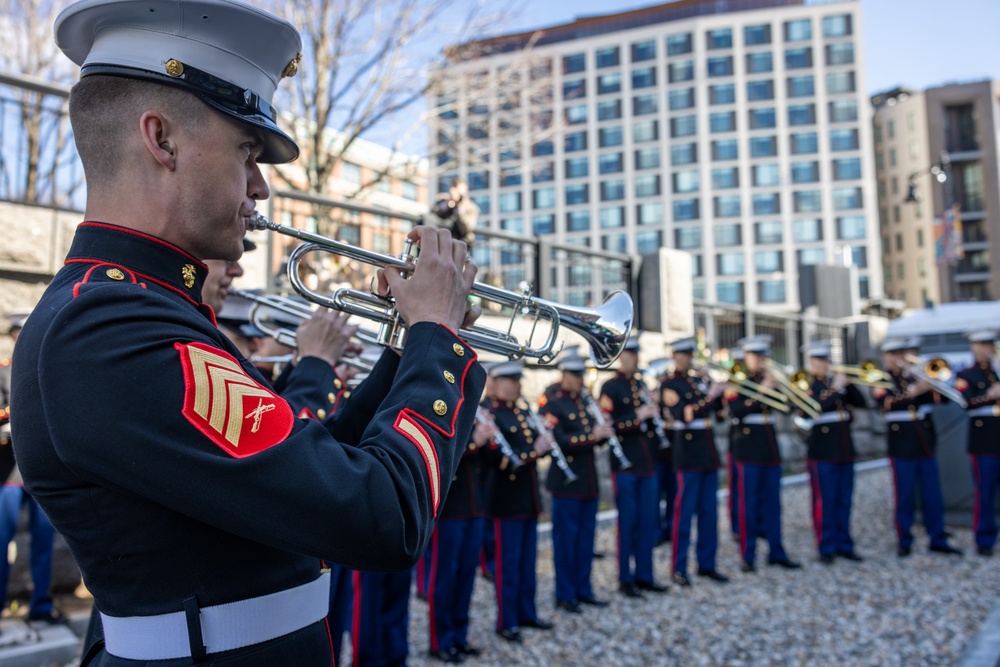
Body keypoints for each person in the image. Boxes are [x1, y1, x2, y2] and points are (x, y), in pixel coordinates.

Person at [10, 2, 485, 664]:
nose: (260, 185)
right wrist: (439, 336)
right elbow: (381, 516)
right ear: (163, 139)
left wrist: (411, 345)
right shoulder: (110, 329)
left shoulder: (138, 309)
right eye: (247, 151)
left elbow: (303, 470)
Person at [0, 313, 67, 630]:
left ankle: (41, 604)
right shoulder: (3, 373)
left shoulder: (50, 370)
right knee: (1, 544)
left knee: (45, 543)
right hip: (9, 471)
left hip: (39, 472)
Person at [482, 360, 554, 644]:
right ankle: (507, 620)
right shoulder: (491, 416)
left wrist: (543, 443)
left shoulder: (523, 413)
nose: (516, 385)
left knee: (527, 563)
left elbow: (534, 450)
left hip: (527, 499)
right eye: (510, 380)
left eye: (517, 380)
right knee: (508, 565)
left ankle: (527, 612)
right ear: (496, 383)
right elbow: (501, 460)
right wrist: (535, 450)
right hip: (505, 501)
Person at [540, 349, 613, 614]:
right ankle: (565, 593)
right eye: (576, 375)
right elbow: (558, 440)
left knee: (585, 540)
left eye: (581, 374)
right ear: (564, 374)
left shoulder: (584, 401)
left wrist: (604, 431)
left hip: (587, 481)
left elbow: (596, 437)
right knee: (566, 541)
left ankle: (584, 589)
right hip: (565, 484)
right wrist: (590, 435)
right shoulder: (552, 403)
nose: (581, 380)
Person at [873, 338, 961, 557]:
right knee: (904, 496)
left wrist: (930, 381)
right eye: (894, 354)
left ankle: (937, 537)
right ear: (886, 357)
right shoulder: (882, 379)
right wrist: (913, 391)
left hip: (925, 443)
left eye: (901, 353)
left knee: (933, 495)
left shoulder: (917, 375)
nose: (899, 358)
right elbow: (885, 403)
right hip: (901, 445)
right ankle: (904, 540)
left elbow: (943, 399)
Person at [598, 336, 668, 597]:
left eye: (636, 353)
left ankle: (645, 575)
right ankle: (625, 578)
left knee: (648, 521)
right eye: (629, 353)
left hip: (647, 462)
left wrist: (655, 411)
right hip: (625, 464)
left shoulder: (640, 384)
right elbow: (609, 425)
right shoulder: (610, 387)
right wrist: (638, 416)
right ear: (620, 356)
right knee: (628, 522)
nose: (634, 358)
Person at [423, 393, 489, 662]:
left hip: (474, 508)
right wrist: (475, 442)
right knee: (444, 578)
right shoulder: (441, 406)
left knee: (466, 577)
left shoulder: (475, 410)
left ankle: (459, 636)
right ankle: (441, 641)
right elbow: (440, 450)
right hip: (450, 510)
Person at [727, 336, 801, 572]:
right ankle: (748, 555)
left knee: (773, 505)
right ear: (747, 357)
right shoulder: (738, 381)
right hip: (748, 448)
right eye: (756, 356)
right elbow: (736, 411)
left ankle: (776, 551)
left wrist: (782, 387)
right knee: (748, 505)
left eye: (764, 356)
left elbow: (789, 408)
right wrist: (763, 390)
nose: (761, 360)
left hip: (770, 448)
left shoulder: (772, 379)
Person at [661, 337, 728, 586]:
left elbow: (719, 415)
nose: (686, 359)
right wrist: (711, 396)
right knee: (684, 513)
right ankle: (678, 567)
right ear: (674, 356)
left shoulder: (700, 380)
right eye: (681, 355)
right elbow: (685, 414)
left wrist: (717, 391)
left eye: (689, 354)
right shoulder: (670, 384)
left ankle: (706, 564)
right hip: (687, 453)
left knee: (709, 513)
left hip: (707, 453)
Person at [800, 341, 868, 564]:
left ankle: (844, 543)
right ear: (811, 363)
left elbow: (862, 403)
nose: (824, 364)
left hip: (844, 449)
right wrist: (836, 389)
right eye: (819, 360)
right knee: (824, 501)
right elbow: (813, 409)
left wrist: (847, 385)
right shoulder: (806, 384)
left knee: (844, 499)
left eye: (826, 360)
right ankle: (825, 546)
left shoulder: (836, 382)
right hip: (822, 450)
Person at [954, 330, 1000, 557]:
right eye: (981, 344)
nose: (987, 348)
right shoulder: (966, 374)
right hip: (984, 441)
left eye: (989, 344)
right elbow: (966, 402)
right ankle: (984, 539)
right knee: (985, 491)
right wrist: (990, 395)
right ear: (973, 347)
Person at [431, 178, 480, 246]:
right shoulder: (443, 200)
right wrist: (448, 203)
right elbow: (434, 213)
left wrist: (459, 207)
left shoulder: (471, 207)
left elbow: (468, 227)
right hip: (441, 240)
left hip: (461, 241)